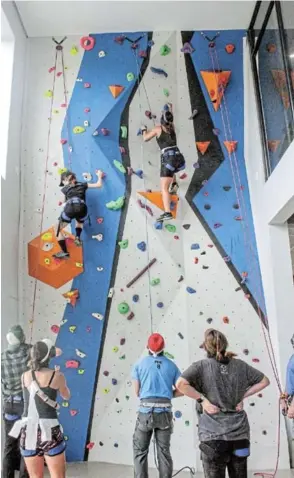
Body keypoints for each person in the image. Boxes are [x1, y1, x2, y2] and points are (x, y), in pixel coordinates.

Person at [176, 329, 270, 478]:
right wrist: (242, 395)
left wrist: (202, 400)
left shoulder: (200, 366)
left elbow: (180, 384)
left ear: (205, 347)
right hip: (240, 436)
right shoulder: (240, 366)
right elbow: (265, 381)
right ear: (226, 344)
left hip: (213, 439)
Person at [9, 339, 70, 478]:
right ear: (49, 356)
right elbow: (66, 396)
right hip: (50, 429)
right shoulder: (57, 376)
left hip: (28, 430)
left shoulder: (24, 376)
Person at [132, 333, 183, 478]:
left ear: (147, 347)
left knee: (140, 452)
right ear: (164, 347)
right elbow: (183, 389)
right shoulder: (172, 365)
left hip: (145, 414)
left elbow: (137, 392)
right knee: (164, 452)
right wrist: (167, 394)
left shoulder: (139, 364)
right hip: (165, 414)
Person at [141, 104, 185, 222]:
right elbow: (168, 118)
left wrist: (143, 129)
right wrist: (168, 109)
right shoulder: (172, 127)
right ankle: (174, 184)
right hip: (178, 157)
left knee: (164, 188)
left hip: (168, 158)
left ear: (161, 120)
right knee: (172, 170)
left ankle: (167, 212)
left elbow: (145, 138)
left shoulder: (157, 129)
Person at [2, 325, 31, 478]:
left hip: (8, 405)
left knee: (9, 444)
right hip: (24, 406)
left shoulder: (2, 357)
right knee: (26, 444)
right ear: (22, 339)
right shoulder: (28, 352)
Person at [55, 168, 104, 259]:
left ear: (65, 181)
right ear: (75, 178)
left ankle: (65, 252)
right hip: (82, 208)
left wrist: (61, 202)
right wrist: (99, 176)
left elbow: (63, 201)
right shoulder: (83, 184)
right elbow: (99, 185)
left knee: (57, 230)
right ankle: (77, 237)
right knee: (79, 223)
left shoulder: (65, 189)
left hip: (71, 208)